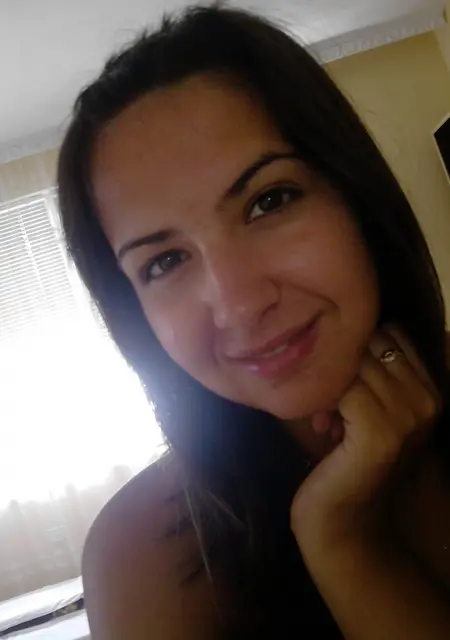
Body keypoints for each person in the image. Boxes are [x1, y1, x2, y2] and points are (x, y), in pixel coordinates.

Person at [57, 5, 450, 638]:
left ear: (353, 193)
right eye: (164, 262)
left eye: (269, 201)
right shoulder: (143, 556)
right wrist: (341, 536)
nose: (239, 304)